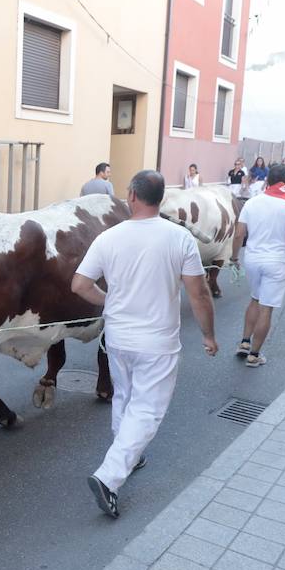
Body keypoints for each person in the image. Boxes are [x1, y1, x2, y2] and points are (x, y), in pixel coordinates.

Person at [71, 170, 217, 519]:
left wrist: (108, 301)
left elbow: (79, 284)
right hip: (157, 341)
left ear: (132, 196)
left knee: (125, 397)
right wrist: (208, 335)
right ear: (160, 199)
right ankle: (109, 477)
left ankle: (128, 455)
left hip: (119, 338)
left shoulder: (109, 237)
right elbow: (198, 293)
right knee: (148, 410)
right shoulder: (179, 239)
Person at [232, 164, 285, 367]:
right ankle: (254, 355)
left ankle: (244, 342)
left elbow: (239, 234)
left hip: (253, 259)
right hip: (275, 261)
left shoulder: (252, 202)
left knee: (255, 299)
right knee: (266, 308)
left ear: (268, 180)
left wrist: (233, 257)